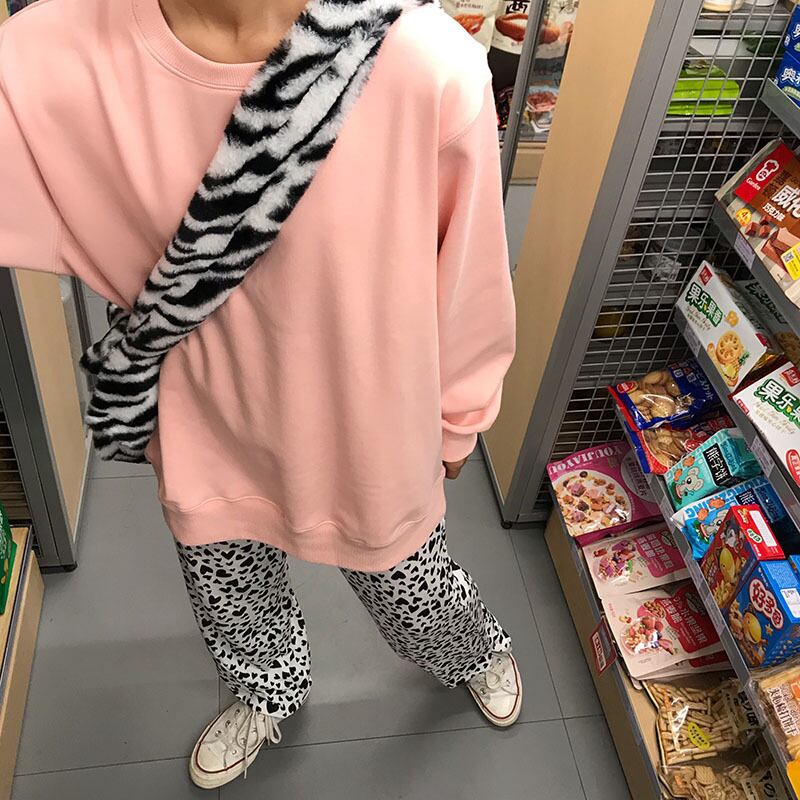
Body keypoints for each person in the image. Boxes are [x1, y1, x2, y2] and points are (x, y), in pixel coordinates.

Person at [0, 0, 518, 789]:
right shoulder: (43, 62)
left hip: (366, 428)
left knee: (413, 587)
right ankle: (269, 689)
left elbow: (469, 275)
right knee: (233, 601)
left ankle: (472, 650)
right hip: (207, 422)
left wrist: (458, 418)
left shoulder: (424, 64)